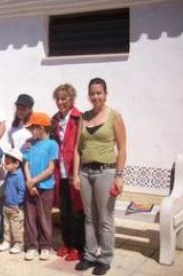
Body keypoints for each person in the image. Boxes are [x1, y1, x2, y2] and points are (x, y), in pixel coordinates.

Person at [73, 78, 126, 275]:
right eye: (92, 93)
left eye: (99, 93)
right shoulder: (84, 117)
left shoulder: (114, 116)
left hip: (106, 171)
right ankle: (89, 255)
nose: (96, 97)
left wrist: (119, 176)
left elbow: (122, 148)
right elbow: (78, 149)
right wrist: (76, 174)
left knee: (105, 218)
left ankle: (105, 257)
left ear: (105, 94)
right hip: (86, 172)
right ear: (89, 95)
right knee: (89, 217)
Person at [50, 84, 84, 261]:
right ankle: (67, 243)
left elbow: (82, 146)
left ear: (71, 99)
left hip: (74, 171)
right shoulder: (54, 120)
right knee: (63, 211)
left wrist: (78, 172)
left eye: (64, 98)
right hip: (60, 173)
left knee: (76, 211)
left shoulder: (79, 119)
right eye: (58, 98)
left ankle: (78, 247)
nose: (61, 102)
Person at [23, 112, 58, 261]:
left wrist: (35, 181)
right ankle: (32, 246)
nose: (31, 132)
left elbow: (51, 168)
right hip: (30, 186)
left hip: (45, 187)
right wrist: (29, 182)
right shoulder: (29, 144)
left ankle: (45, 246)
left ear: (42, 128)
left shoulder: (52, 144)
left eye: (33, 128)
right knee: (30, 218)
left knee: (44, 218)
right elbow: (26, 164)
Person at [0, 148, 25, 254]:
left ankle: (18, 244)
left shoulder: (19, 176)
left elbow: (22, 191)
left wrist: (17, 203)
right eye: (5, 162)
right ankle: (7, 241)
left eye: (8, 163)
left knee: (16, 227)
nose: (5, 165)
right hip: (6, 205)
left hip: (16, 208)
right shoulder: (8, 174)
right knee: (7, 226)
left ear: (16, 163)